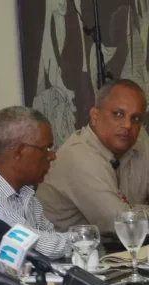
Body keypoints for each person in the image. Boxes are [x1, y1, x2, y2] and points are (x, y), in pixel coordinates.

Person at [37, 78, 149, 233]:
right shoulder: (78, 156)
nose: (128, 125)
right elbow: (119, 224)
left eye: (135, 118)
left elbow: (125, 218)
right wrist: (132, 211)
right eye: (118, 114)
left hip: (120, 245)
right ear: (95, 116)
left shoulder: (139, 141)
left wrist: (130, 209)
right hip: (70, 247)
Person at [0, 106, 71, 259]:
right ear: (19, 151)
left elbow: (51, 237)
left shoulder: (25, 192)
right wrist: (83, 238)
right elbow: (38, 246)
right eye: (46, 149)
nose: (52, 156)